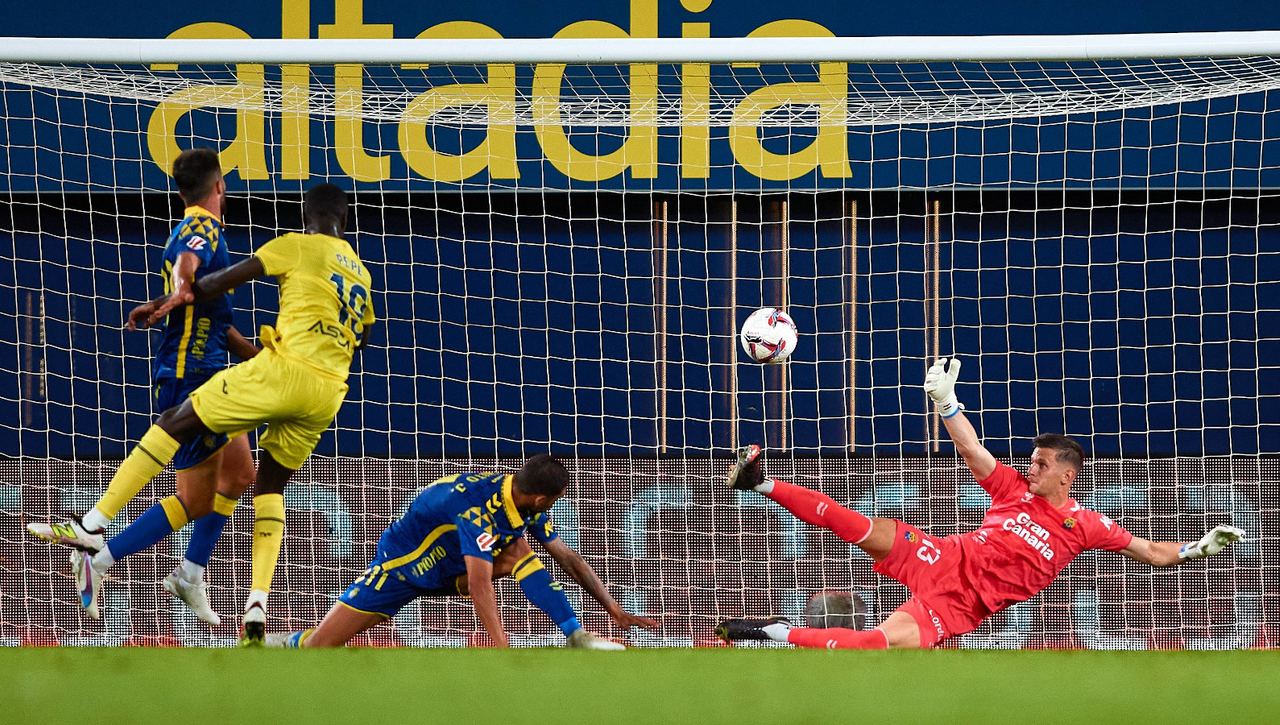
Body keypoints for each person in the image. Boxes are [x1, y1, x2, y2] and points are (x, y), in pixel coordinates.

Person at [29, 182, 375, 645]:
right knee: (244, 482)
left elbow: (208, 285)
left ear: (304, 215)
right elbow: (361, 339)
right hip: (325, 388)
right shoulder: (361, 273)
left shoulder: (280, 243)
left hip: (258, 372)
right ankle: (240, 598)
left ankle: (102, 537)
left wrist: (171, 299)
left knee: (213, 478)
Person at [716, 357, 1245, 649]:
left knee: (877, 646)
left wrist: (1198, 549)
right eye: (1031, 461)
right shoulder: (1013, 487)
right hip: (943, 557)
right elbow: (971, 449)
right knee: (858, 525)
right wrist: (947, 402)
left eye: (1041, 464)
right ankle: (760, 483)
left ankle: (772, 631)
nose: (1030, 468)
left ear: (1068, 474)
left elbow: (1152, 553)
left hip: (961, 606)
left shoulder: (1087, 525)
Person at [27, 147, 258, 624]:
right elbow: (187, 270)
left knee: (240, 475)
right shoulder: (203, 225)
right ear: (219, 187)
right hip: (195, 375)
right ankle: (101, 556)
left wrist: (263, 359)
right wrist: (177, 287)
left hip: (208, 365)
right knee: (193, 500)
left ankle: (190, 575)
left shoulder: (199, 231)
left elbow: (212, 314)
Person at [268, 455, 659, 649]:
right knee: (318, 647)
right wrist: (502, 650)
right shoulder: (476, 509)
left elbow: (567, 557)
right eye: (556, 499)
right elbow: (479, 583)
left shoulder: (519, 504)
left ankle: (576, 635)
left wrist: (615, 611)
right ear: (542, 498)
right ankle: (280, 641)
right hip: (402, 567)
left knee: (521, 549)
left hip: (449, 562)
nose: (556, 504)